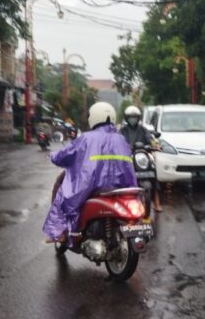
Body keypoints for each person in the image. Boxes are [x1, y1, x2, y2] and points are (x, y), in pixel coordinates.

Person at [43, 102, 137, 243]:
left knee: (64, 194)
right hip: (122, 186)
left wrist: (53, 155)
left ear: (93, 117)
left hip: (93, 185)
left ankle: (60, 232)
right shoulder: (121, 138)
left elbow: (66, 154)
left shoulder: (86, 137)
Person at [119, 105, 163, 212]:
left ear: (138, 118)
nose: (132, 119)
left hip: (142, 156)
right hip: (128, 157)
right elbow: (117, 140)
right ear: (126, 118)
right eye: (130, 117)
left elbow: (151, 139)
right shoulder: (122, 130)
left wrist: (155, 145)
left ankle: (157, 202)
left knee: (153, 171)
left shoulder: (143, 129)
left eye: (134, 117)